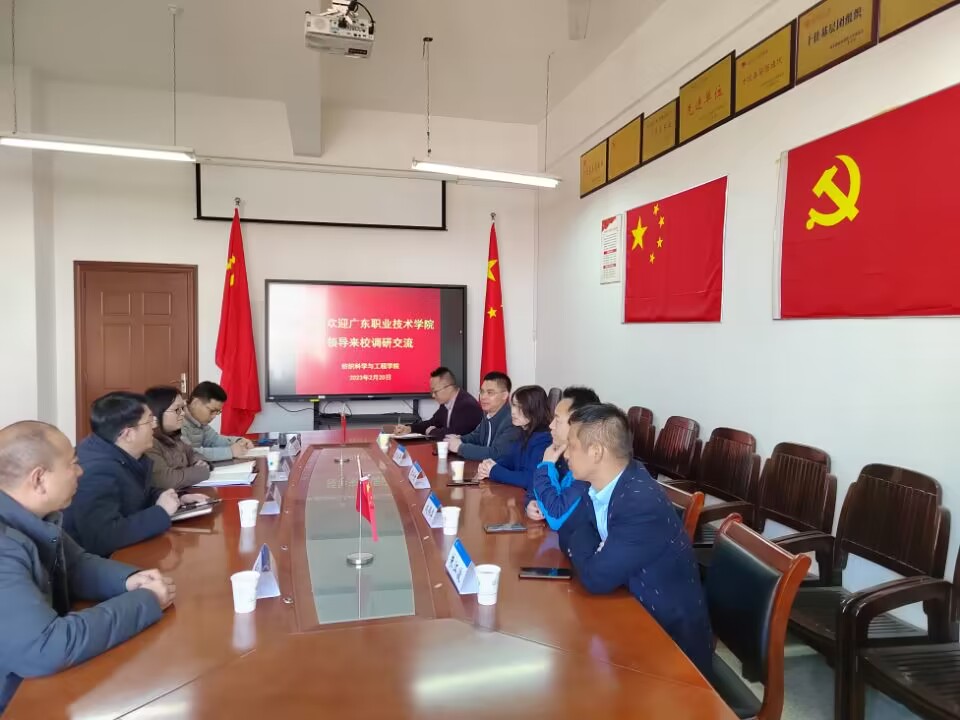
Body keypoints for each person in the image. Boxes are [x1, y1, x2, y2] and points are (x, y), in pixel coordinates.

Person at [0, 421, 176, 713]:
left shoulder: (37, 515)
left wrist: (130, 580)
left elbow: (76, 564)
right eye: (72, 464)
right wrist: (146, 601)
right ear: (39, 479)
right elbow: (45, 648)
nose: (80, 471)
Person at [558, 403, 713, 676]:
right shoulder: (597, 483)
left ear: (596, 452)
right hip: (625, 610)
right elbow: (567, 532)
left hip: (668, 646)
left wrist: (591, 549)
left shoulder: (640, 502)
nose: (566, 454)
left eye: (571, 446)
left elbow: (595, 578)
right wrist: (593, 548)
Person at [64, 392, 207, 557]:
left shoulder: (121, 452)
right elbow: (103, 538)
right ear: (128, 434)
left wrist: (176, 499)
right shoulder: (95, 472)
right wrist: (160, 511)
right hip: (96, 563)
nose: (154, 425)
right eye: (149, 420)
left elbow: (135, 494)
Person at [525, 386, 599, 527]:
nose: (551, 425)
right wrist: (530, 503)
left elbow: (556, 517)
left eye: (558, 421)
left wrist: (546, 466)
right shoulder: (558, 451)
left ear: (578, 426)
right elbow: (533, 487)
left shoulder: (589, 467)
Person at [476, 385, 552, 490]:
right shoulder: (522, 431)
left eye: (519, 407)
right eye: (513, 405)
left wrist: (493, 471)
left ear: (534, 409)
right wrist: (490, 465)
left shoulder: (544, 439)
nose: (513, 412)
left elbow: (530, 479)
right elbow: (512, 460)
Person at [144, 386, 211, 490]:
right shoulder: (149, 443)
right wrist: (201, 471)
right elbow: (167, 481)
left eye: (182, 408)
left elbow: (193, 454)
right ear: (157, 413)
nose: (183, 413)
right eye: (177, 409)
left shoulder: (175, 435)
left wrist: (200, 462)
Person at [445, 372, 521, 462]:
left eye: (490, 393)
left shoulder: (513, 420)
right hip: (484, 467)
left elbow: (497, 454)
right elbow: (476, 437)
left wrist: (460, 448)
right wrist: (458, 439)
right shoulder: (487, 414)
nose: (483, 397)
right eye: (482, 392)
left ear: (504, 395)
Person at [394, 367, 483, 440]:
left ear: (449, 388)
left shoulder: (467, 405)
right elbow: (432, 422)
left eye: (435, 391)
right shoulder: (446, 403)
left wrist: (431, 431)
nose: (433, 395)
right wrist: (409, 428)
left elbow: (452, 436)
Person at [181, 382, 254, 462]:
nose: (214, 416)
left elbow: (215, 440)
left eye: (217, 412)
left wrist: (239, 441)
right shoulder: (177, 421)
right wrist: (230, 452)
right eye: (212, 411)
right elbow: (188, 454)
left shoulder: (199, 422)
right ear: (196, 403)